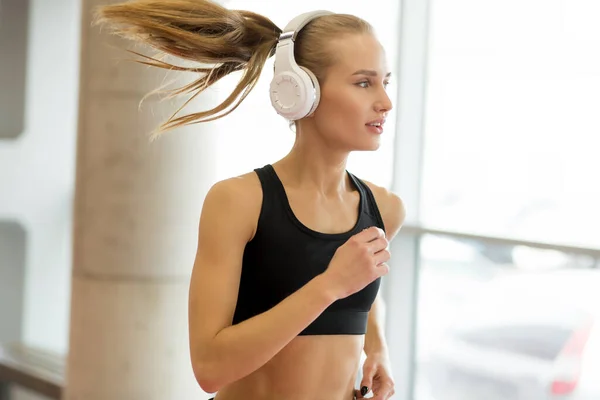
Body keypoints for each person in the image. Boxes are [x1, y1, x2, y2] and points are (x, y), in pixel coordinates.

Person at [95, 1, 405, 399]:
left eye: (385, 82)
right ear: (301, 90)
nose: (385, 102)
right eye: (364, 83)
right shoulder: (238, 202)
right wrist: (329, 284)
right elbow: (210, 368)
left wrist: (377, 347)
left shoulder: (385, 210)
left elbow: (361, 292)